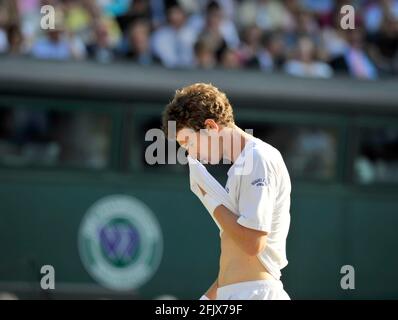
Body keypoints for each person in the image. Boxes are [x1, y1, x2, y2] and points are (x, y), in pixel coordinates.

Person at [162, 83, 291, 300]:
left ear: (211, 127)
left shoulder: (258, 158)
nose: (190, 154)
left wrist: (208, 198)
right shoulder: (242, 166)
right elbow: (235, 259)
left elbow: (252, 244)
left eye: (189, 143)